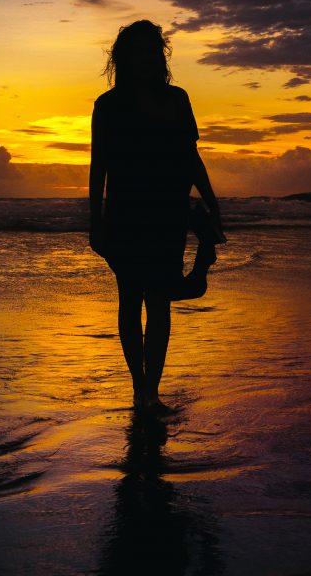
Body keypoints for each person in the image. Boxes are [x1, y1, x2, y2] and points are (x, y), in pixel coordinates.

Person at [89, 20, 224, 415]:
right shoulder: (108, 105)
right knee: (130, 300)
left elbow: (190, 156)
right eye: (137, 51)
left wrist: (213, 202)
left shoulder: (177, 99)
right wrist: (95, 219)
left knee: (160, 301)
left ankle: (151, 391)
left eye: (153, 51)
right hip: (126, 213)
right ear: (123, 57)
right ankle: (138, 389)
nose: (146, 58)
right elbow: (100, 166)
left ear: (160, 57)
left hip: (167, 212)